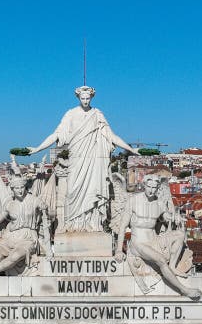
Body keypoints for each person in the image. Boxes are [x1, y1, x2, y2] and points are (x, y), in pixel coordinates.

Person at [28, 85, 138, 232]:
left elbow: (111, 136)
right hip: (77, 159)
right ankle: (73, 224)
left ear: (91, 98)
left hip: (93, 161)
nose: (85, 101)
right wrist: (37, 148)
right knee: (73, 191)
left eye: (87, 98)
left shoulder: (97, 114)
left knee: (93, 191)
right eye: (82, 98)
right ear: (78, 98)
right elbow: (56, 135)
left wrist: (131, 149)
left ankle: (93, 224)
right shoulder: (71, 114)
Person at [114, 174, 202, 300]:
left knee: (179, 234)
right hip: (138, 243)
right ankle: (184, 290)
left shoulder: (160, 203)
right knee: (160, 260)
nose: (151, 190)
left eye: (154, 188)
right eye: (149, 187)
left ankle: (172, 266)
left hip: (153, 240)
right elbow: (122, 227)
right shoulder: (133, 200)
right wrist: (118, 250)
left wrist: (175, 217)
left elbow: (166, 217)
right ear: (144, 185)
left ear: (157, 188)